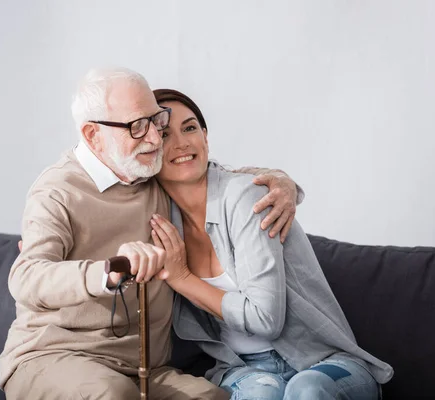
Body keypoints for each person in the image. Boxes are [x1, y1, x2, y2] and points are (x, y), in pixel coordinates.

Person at [0, 68, 303, 400]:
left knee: (214, 397)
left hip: (143, 369)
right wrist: (109, 269)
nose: (156, 139)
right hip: (53, 358)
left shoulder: (146, 170)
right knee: (112, 394)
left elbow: (209, 171)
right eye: (136, 127)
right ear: (92, 135)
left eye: (156, 120)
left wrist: (279, 180)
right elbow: (26, 277)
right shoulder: (57, 191)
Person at [149, 88, 394, 400]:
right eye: (165, 133)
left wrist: (183, 279)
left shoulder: (244, 198)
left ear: (205, 137)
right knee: (261, 394)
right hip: (244, 370)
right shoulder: (159, 220)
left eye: (190, 127)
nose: (182, 142)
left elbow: (266, 320)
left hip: (325, 364)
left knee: (306, 390)